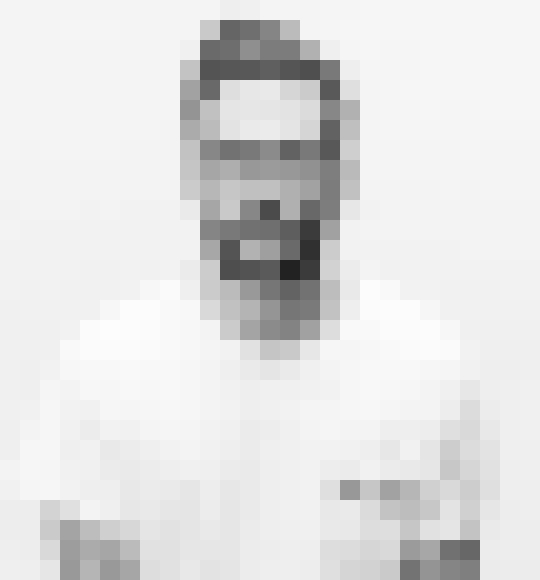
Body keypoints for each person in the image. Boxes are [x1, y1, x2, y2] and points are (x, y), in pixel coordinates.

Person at [22, 20, 481, 580]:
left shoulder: (429, 377)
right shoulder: (102, 380)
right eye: (238, 155)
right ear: (196, 172)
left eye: (295, 155)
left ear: (341, 175)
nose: (267, 189)